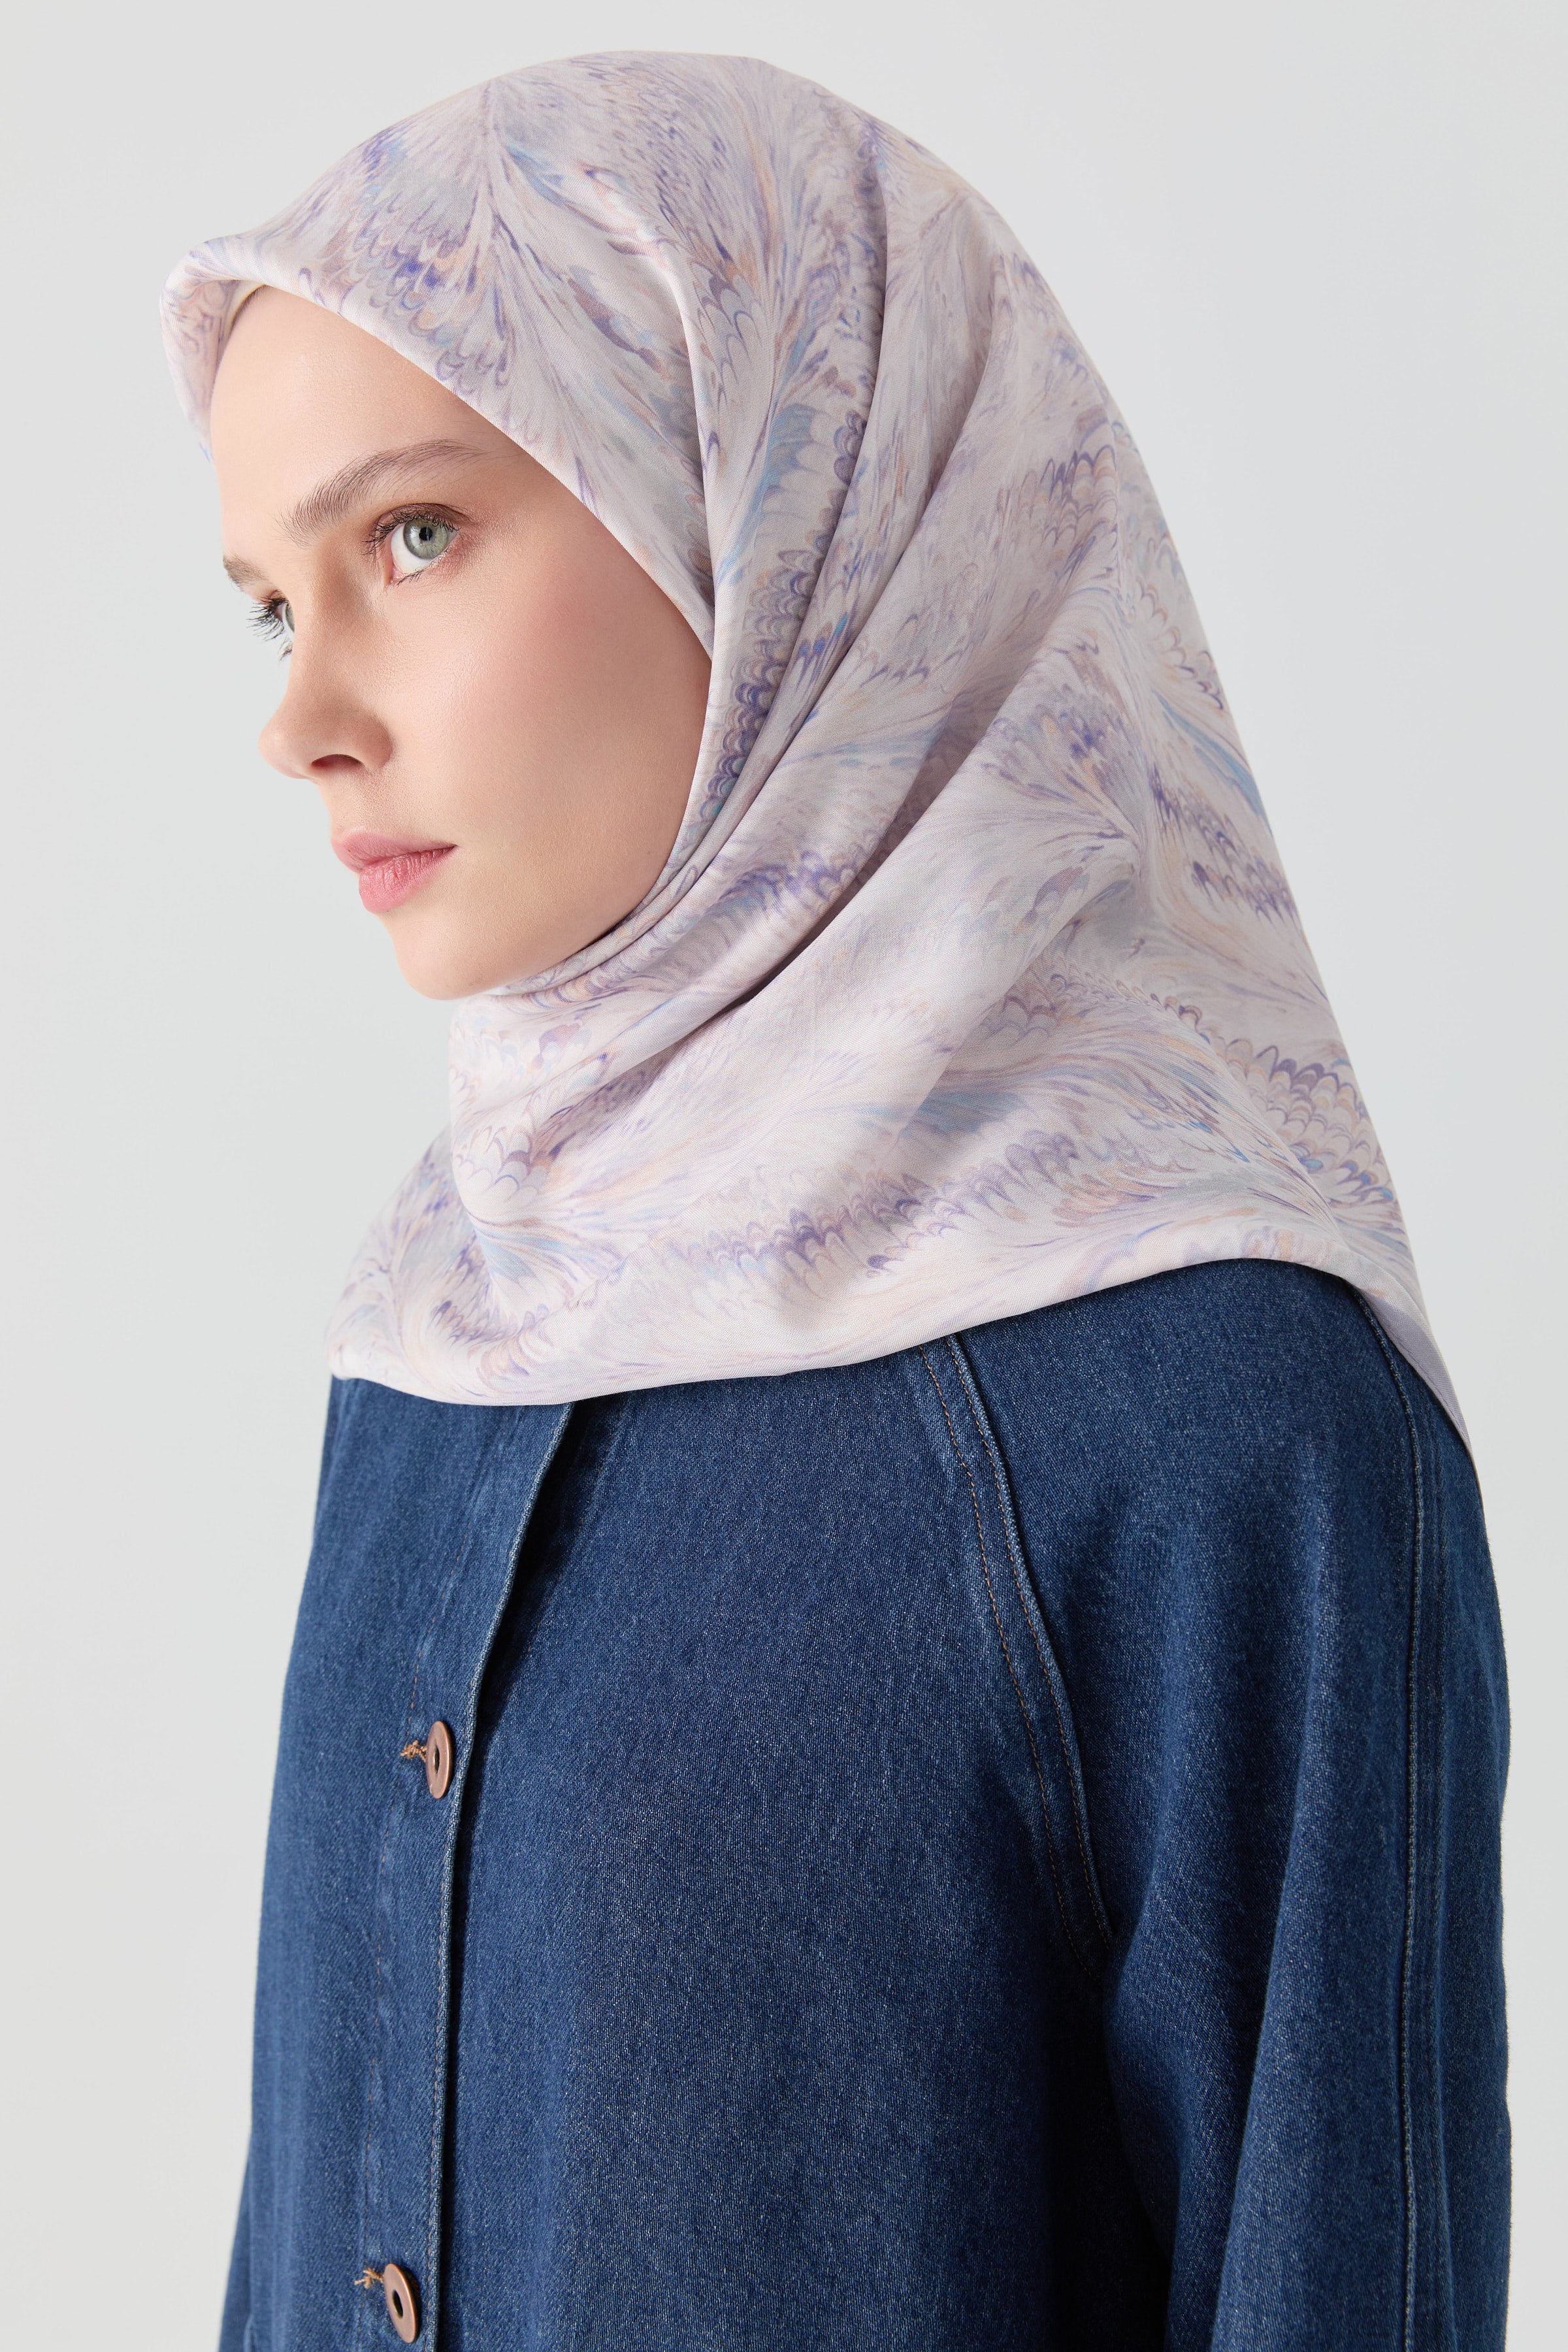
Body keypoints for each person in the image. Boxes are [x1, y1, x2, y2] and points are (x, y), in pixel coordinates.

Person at [163, 52, 1509, 2351]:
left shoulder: (1227, 1426)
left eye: (413, 537)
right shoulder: (439, 1332)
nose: (304, 718)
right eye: (271, 606)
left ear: (775, 498)